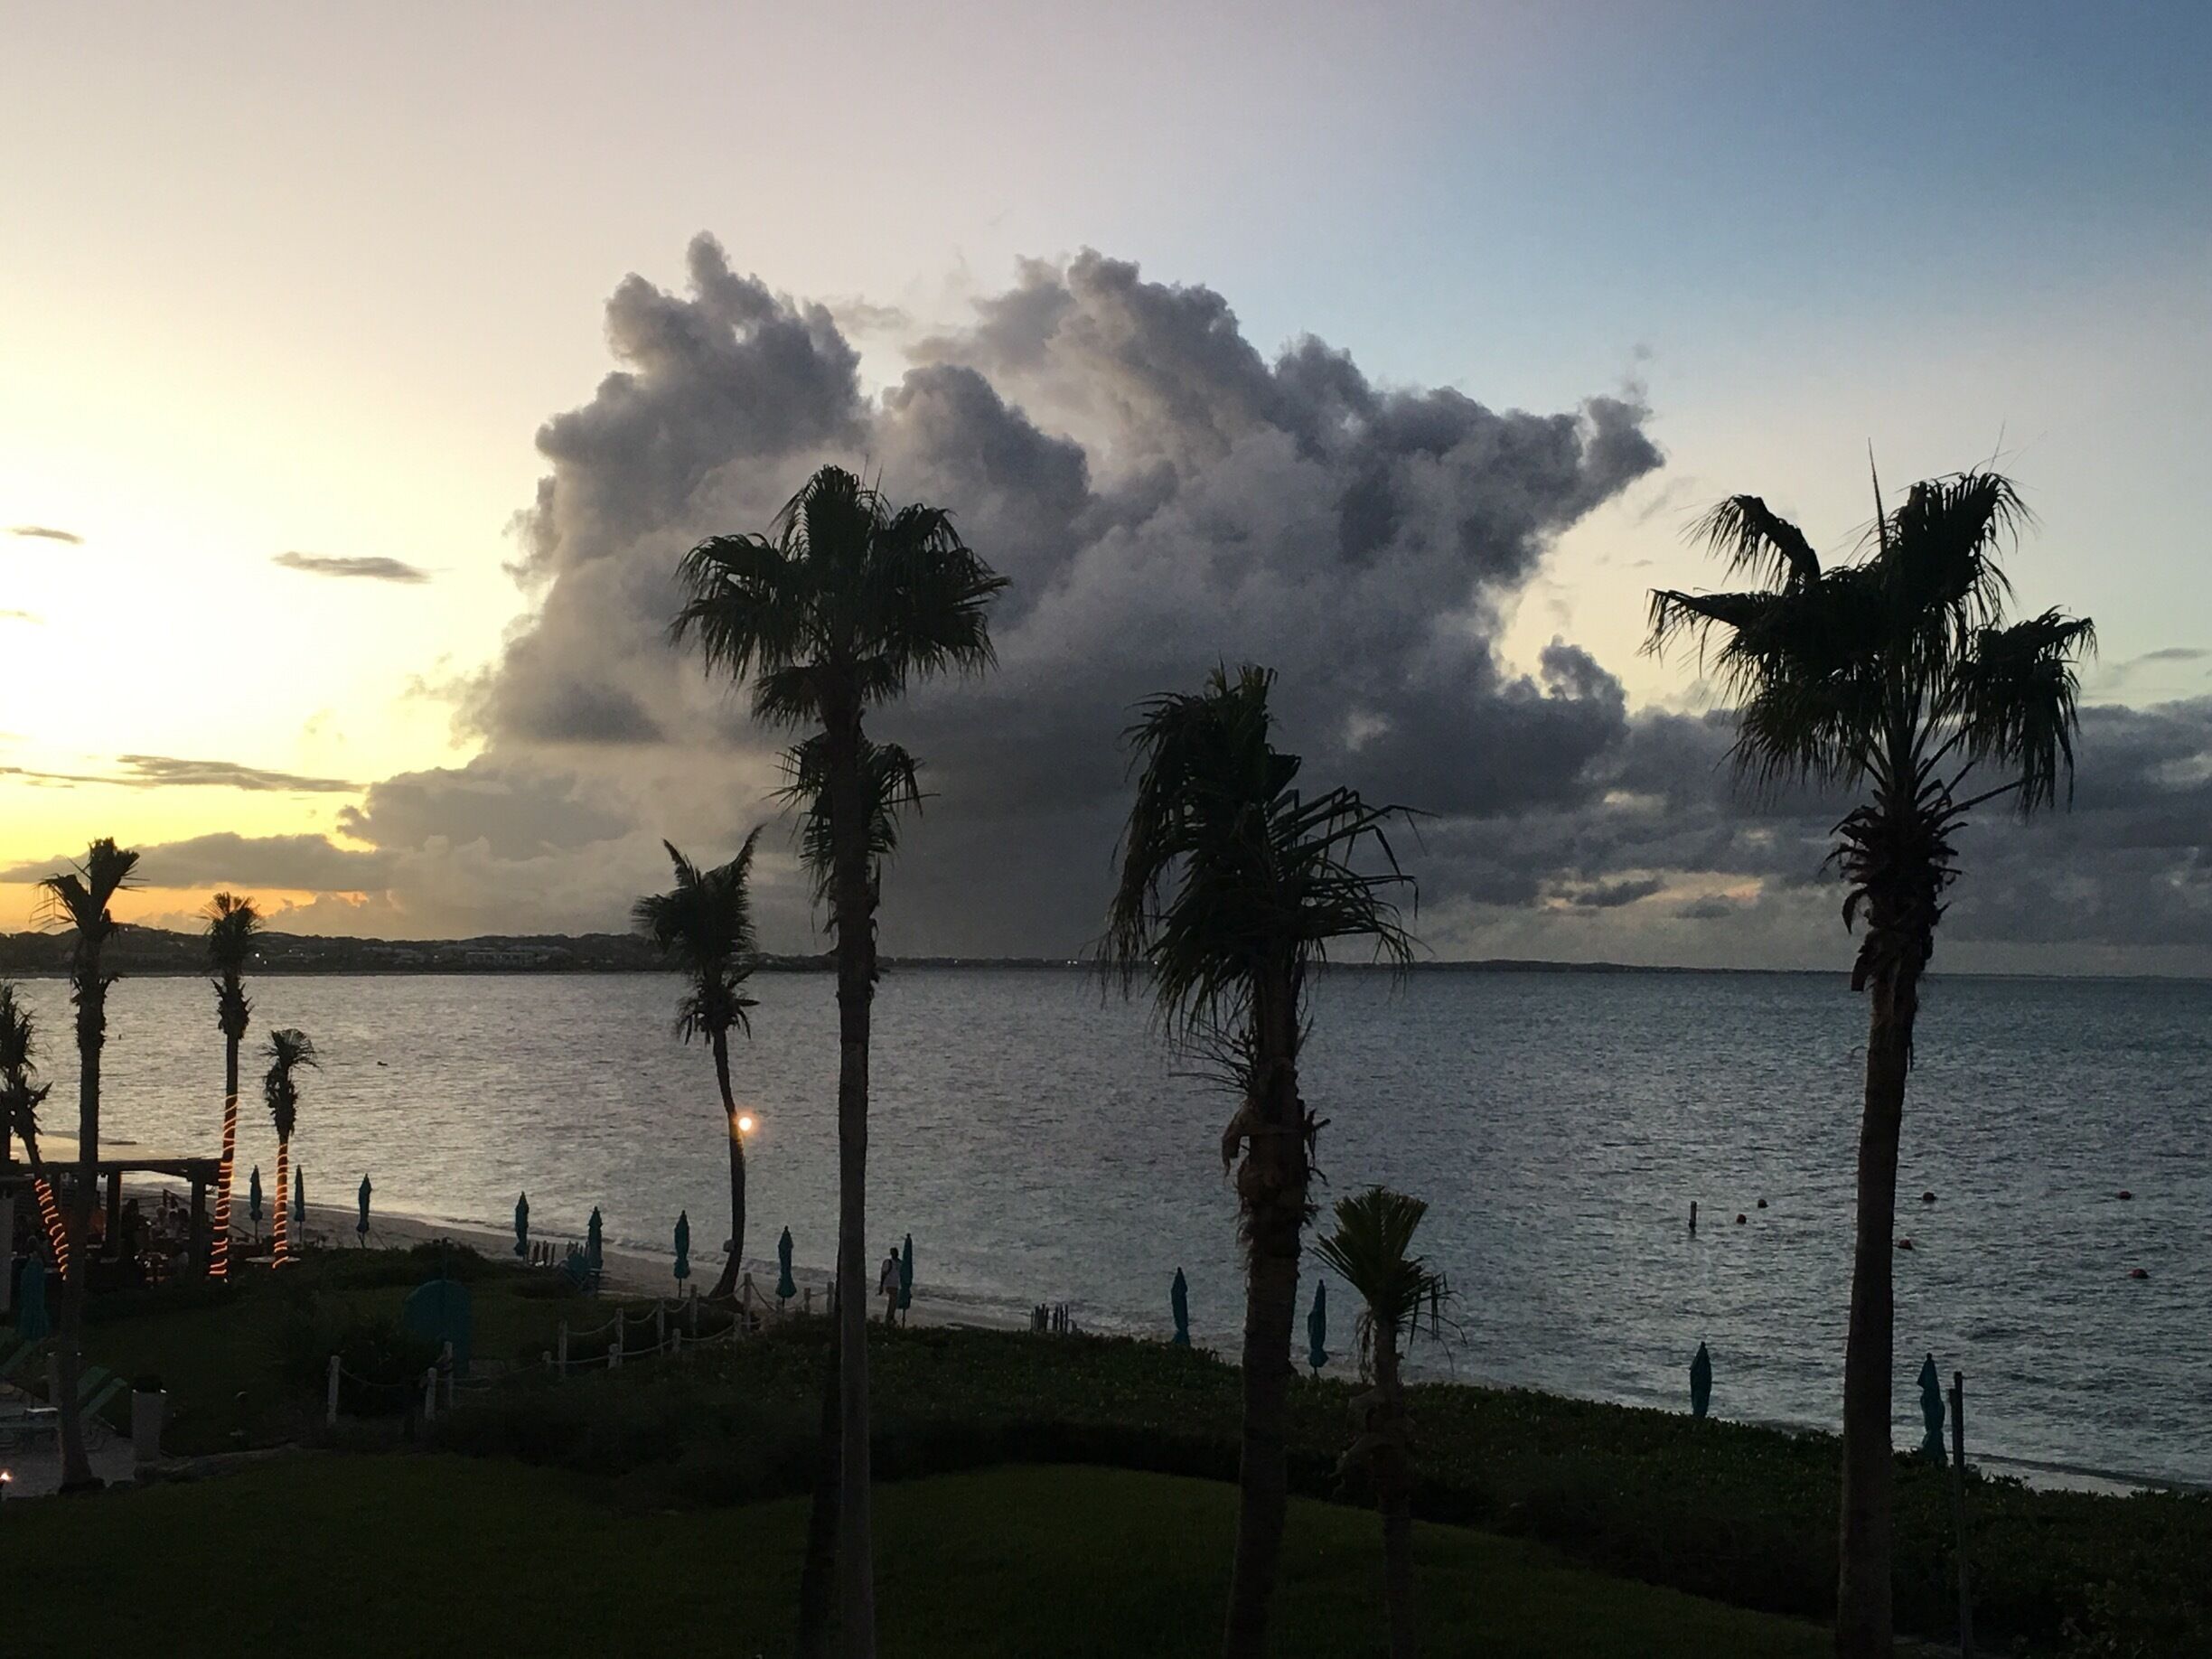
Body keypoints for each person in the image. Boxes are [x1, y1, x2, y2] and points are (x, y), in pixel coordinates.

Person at [878, 1246, 901, 1327]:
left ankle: (890, 1317)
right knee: (893, 1301)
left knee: (893, 1302)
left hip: (896, 1284)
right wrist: (881, 1285)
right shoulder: (889, 1262)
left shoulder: (900, 1263)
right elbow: (883, 1274)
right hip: (890, 1284)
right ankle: (889, 1318)